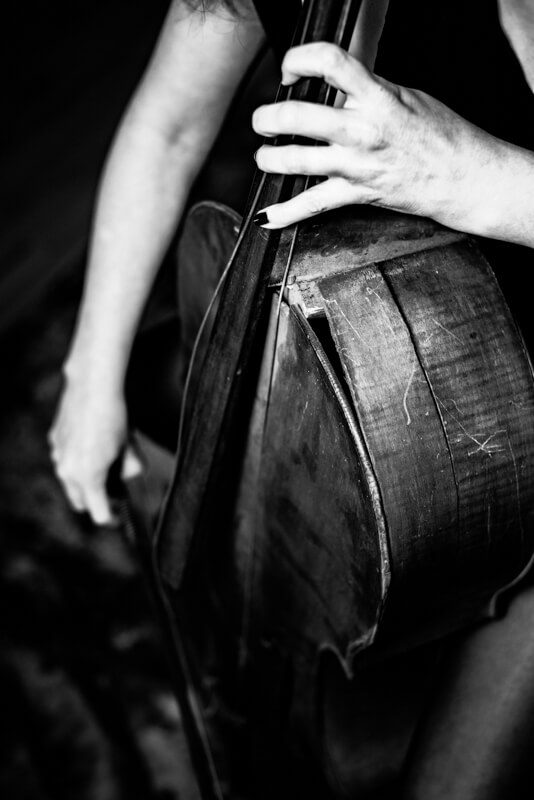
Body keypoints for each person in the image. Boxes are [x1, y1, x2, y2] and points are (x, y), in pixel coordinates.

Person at [49, 0, 534, 796]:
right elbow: (168, 127)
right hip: (382, 313)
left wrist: (475, 173)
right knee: (153, 377)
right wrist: (88, 374)